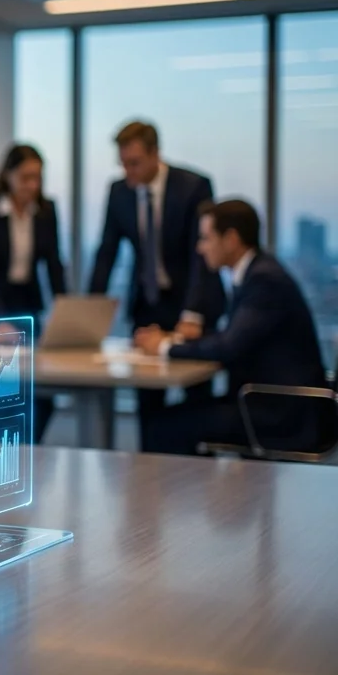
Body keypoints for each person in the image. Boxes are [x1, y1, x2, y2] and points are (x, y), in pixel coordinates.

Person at [134, 199, 334, 456]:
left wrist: (164, 346)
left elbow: (228, 347)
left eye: (206, 238)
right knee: (176, 418)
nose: (199, 248)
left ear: (230, 239)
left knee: (161, 427)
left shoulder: (264, 280)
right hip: (271, 402)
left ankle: (188, 494)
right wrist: (181, 340)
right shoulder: (258, 273)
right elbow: (236, 339)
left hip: (279, 412)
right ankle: (204, 492)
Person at [88, 121, 225, 452]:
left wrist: (192, 313)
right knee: (147, 402)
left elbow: (201, 257)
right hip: (148, 305)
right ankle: (149, 483)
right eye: (123, 163)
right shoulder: (119, 191)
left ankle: (199, 479)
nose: (128, 171)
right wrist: (89, 310)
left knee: (196, 399)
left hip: (192, 304)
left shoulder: (193, 186)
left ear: (155, 155)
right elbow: (107, 251)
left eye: (134, 163)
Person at [0, 144, 67, 322]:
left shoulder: (45, 211)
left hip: (27, 299)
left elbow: (54, 263)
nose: (32, 185)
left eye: (36, 178)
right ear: (7, 175)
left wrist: (65, 311)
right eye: (25, 178)